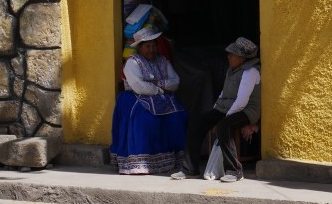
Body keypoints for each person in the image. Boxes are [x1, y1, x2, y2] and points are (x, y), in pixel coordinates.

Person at [172, 37, 260, 183]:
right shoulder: (231, 70)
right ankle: (190, 169)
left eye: (232, 54)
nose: (228, 57)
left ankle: (234, 171)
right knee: (197, 123)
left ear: (241, 58)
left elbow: (242, 101)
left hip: (246, 110)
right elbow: (223, 93)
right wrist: (214, 111)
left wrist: (225, 118)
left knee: (224, 126)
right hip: (227, 108)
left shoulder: (250, 72)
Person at [110, 26, 188, 175]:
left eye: (153, 46)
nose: (151, 50)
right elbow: (139, 86)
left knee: (179, 116)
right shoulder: (133, 63)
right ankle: (144, 161)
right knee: (147, 119)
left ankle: (172, 159)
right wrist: (161, 89)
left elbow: (175, 81)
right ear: (140, 48)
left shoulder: (162, 61)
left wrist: (158, 84)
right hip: (136, 98)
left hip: (159, 98)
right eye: (147, 46)